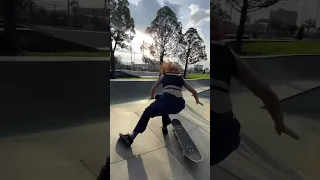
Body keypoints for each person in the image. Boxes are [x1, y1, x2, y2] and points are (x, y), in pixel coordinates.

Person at [211, 13, 300, 166]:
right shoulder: (227, 55)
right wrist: (280, 123)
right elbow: (268, 95)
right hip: (222, 132)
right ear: (219, 32)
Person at [119, 61, 204, 146]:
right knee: (161, 99)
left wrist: (152, 97)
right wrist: (197, 101)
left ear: (166, 70)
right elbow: (194, 91)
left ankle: (131, 138)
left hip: (165, 101)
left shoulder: (163, 77)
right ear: (176, 71)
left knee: (147, 112)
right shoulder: (180, 78)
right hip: (179, 105)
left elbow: (152, 90)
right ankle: (164, 126)